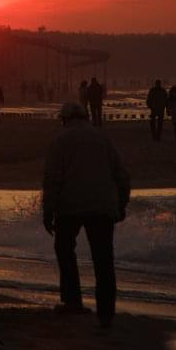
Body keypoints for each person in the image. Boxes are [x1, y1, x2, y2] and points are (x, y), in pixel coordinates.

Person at [42, 102, 130, 328]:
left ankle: (72, 301)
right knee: (103, 259)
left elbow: (52, 179)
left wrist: (48, 210)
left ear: (65, 119)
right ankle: (106, 312)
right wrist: (121, 205)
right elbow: (121, 175)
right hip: (102, 205)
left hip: (70, 205)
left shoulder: (60, 140)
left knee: (64, 249)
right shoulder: (102, 138)